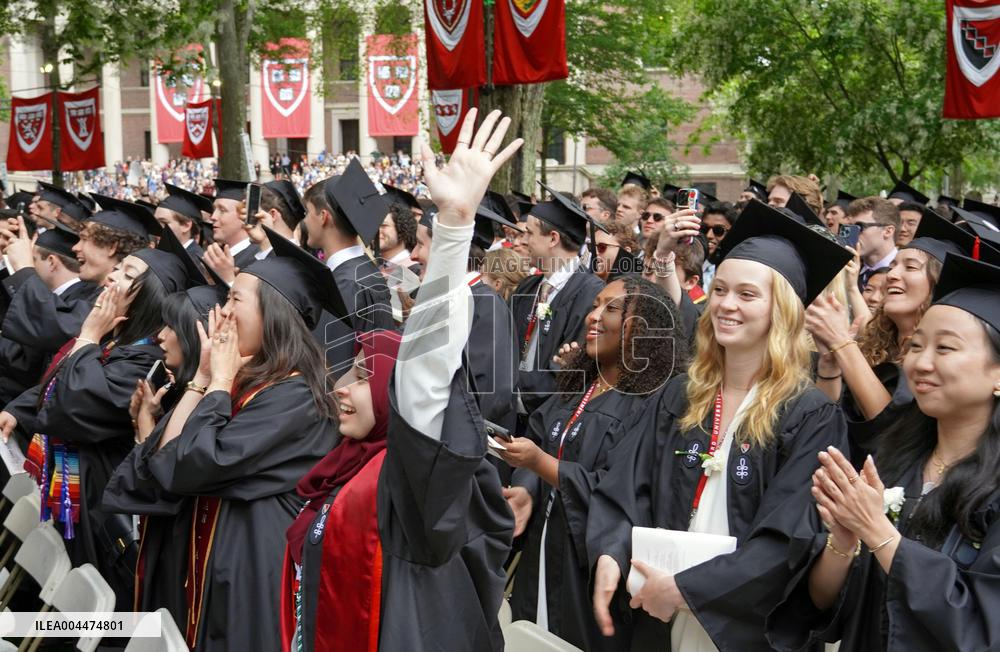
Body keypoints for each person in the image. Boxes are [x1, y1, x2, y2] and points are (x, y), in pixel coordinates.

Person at [280, 109, 520, 652]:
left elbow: (424, 377)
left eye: (362, 376)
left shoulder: (410, 481)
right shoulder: (343, 469)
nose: (340, 387)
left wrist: (455, 226)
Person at [588, 200, 852, 650]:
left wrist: (687, 589)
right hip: (654, 613)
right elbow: (625, 487)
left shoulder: (809, 415)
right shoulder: (679, 396)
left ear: (782, 310)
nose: (727, 305)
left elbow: (787, 540)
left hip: (741, 628)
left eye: (747, 294)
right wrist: (611, 554)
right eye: (722, 289)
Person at [103, 228, 340, 650]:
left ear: (275, 314)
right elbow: (162, 463)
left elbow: (193, 465)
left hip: (252, 574)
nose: (223, 312)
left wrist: (219, 380)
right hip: (210, 566)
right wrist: (202, 379)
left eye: (235, 299)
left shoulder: (297, 397)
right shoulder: (247, 382)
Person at [767, 253, 1000, 651]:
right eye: (917, 345)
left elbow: (982, 632)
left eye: (945, 348)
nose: (921, 363)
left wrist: (878, 533)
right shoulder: (892, 464)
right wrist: (842, 541)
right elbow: (821, 605)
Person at [0, 238, 190, 609]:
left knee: (91, 594)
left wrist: (87, 336)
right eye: (118, 267)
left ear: (148, 294)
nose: (112, 276)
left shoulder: (144, 361)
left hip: (96, 499)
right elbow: (52, 386)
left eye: (126, 273)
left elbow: (68, 405)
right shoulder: (119, 343)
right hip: (71, 486)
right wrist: (20, 408)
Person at [503, 276, 686, 650]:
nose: (594, 316)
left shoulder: (651, 405)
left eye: (612, 308)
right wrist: (526, 486)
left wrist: (540, 465)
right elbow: (541, 437)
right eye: (595, 305)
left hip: (589, 565)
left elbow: (621, 490)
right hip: (542, 547)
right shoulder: (581, 387)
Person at [806, 209, 1000, 463]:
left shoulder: (941, 366)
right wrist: (830, 365)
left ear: (938, 283)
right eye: (894, 265)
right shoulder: (871, 343)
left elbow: (893, 428)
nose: (893, 275)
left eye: (910, 267)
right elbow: (831, 414)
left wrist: (842, 344)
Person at [511, 189, 606, 417]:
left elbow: (568, 370)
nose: (523, 241)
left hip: (549, 419)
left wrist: (512, 394)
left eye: (529, 233)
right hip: (511, 414)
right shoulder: (528, 287)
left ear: (553, 238)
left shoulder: (590, 294)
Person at [300, 162, 396, 376]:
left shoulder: (344, 285)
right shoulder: (364, 271)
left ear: (324, 217)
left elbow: (330, 367)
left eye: (307, 213)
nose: (304, 221)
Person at [0, 222, 100, 405]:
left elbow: (27, 359)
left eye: (34, 260)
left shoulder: (80, 301)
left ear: (52, 262)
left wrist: (23, 267)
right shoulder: (57, 297)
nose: (32, 266)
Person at [202, 179, 260, 284]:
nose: (213, 217)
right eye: (214, 209)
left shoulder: (257, 260)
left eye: (222, 210)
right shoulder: (218, 256)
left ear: (244, 216)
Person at [848, 197, 900, 291]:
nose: (853, 233)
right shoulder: (848, 269)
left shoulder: (902, 274)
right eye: (850, 228)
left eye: (859, 227)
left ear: (888, 231)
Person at [155, 183, 212, 259]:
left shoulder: (197, 263)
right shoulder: (168, 255)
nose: (155, 228)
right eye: (155, 221)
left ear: (186, 225)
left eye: (164, 222)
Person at [698, 202, 737, 289]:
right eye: (705, 228)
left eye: (718, 230)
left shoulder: (736, 270)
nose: (709, 235)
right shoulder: (689, 262)